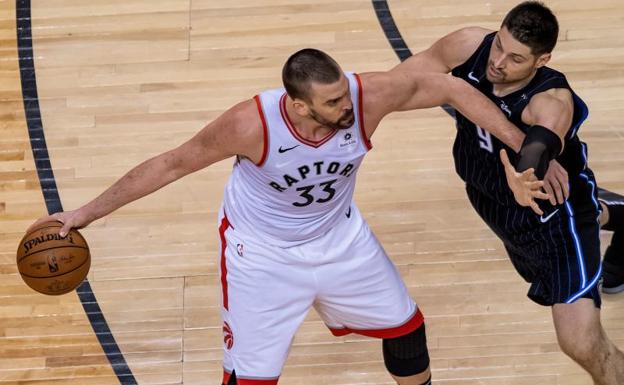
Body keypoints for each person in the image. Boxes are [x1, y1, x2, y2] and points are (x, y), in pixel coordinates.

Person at [28, 49, 541, 385]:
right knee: (251, 379)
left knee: (407, 330)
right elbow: (171, 163)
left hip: (340, 237)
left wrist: (522, 149)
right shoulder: (250, 123)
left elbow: (450, 87)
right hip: (262, 254)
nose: (347, 105)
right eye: (333, 101)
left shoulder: (367, 98)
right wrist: (86, 213)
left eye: (345, 92)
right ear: (297, 106)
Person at [395, 1, 624, 383]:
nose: (498, 62)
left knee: (579, 342)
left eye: (515, 58)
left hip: (554, 216)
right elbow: (404, 80)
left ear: (542, 59)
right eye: (499, 45)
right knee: (582, 221)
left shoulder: (550, 101)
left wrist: (524, 175)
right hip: (493, 201)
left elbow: (537, 147)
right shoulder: (470, 44)